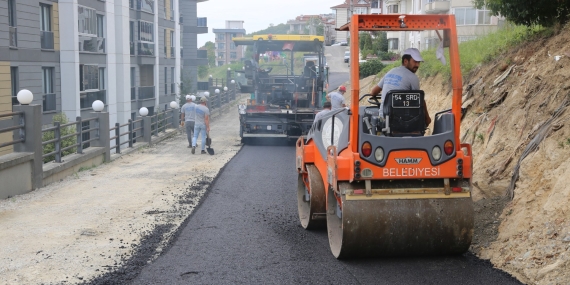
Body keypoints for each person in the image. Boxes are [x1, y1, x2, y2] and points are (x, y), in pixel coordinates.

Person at [370, 48, 431, 125]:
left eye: (418, 62)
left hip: (384, 119)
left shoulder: (390, 72)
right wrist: (427, 118)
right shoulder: (413, 77)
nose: (417, 65)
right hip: (403, 122)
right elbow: (419, 100)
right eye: (415, 62)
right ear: (405, 61)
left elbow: (373, 92)